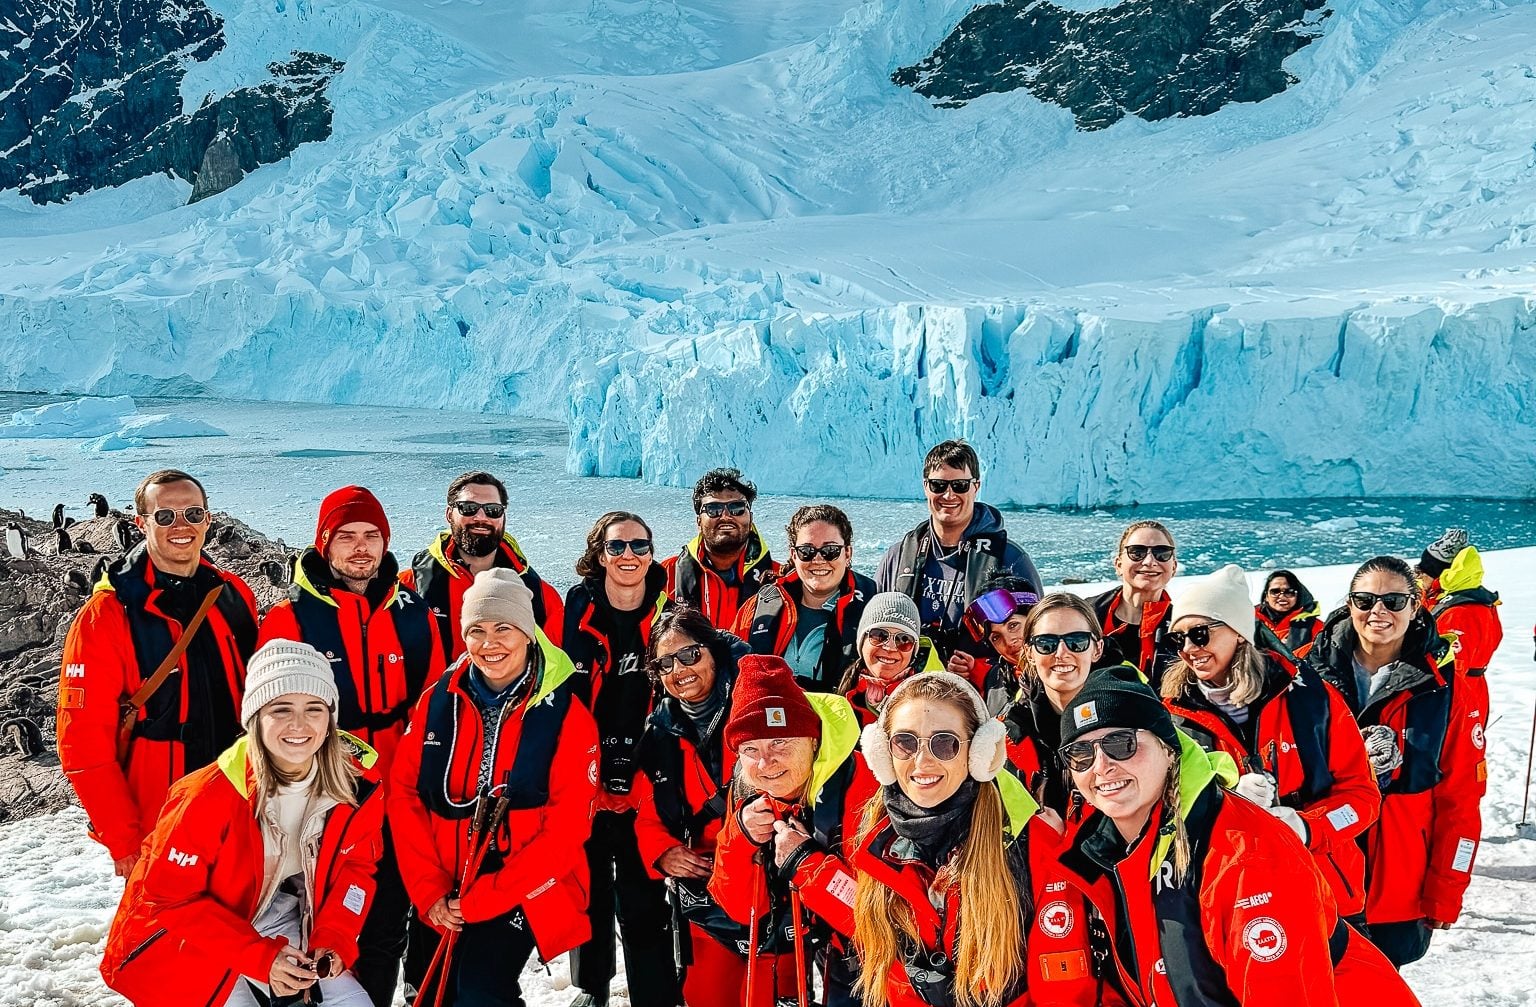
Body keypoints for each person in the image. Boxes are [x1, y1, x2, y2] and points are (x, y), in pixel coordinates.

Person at [1054, 671, 1420, 1006]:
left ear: (1169, 749)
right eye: (1080, 753)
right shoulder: (1111, 848)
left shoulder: (1247, 854)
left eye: (1121, 744)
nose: (1101, 766)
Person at [100, 641, 384, 1007]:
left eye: (314, 708)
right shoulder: (206, 796)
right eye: (281, 709)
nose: (299, 724)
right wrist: (261, 959)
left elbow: (357, 868)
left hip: (278, 913)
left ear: (330, 720)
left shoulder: (356, 784)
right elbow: (168, 900)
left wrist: (334, 937)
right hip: (194, 936)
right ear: (254, 718)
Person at [257, 485, 447, 1007]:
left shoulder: (415, 615)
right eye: (347, 537)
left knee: (392, 914)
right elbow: (267, 718)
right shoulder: (288, 621)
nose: (361, 548)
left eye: (372, 536)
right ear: (324, 544)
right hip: (323, 799)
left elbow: (434, 707)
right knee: (327, 917)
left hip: (401, 793)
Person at [388, 569, 599, 1007]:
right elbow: (404, 792)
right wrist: (428, 890)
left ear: (527, 632)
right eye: (477, 631)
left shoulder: (566, 714)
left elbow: (567, 828)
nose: (490, 643)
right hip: (445, 881)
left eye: (504, 628)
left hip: (521, 881)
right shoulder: (437, 700)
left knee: (481, 991)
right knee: (433, 996)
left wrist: (489, 895)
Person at [850, 671, 1102, 1007]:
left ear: (979, 755)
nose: (922, 761)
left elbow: (1064, 992)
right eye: (905, 742)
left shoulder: (1033, 844)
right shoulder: (877, 843)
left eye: (945, 743)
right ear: (882, 753)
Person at [57, 468, 259, 876]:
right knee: (162, 934)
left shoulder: (234, 594)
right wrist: (123, 838)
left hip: (239, 798)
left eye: (192, 514)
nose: (180, 526)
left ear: (208, 519)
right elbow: (82, 741)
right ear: (141, 523)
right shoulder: (109, 614)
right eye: (164, 516)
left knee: (241, 928)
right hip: (160, 813)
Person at [1160, 565, 1380, 924]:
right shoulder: (1172, 716)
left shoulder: (1311, 700)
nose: (1188, 649)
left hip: (1325, 897)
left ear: (1239, 633)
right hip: (1231, 903)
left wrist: (1307, 827)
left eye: (1199, 634)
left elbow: (1362, 798)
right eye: (1176, 639)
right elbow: (1162, 812)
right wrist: (1222, 799)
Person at [1308, 555, 1484, 968]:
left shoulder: (1444, 688)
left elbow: (1462, 798)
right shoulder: (1304, 674)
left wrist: (1447, 887)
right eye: (1365, 599)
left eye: (1393, 600)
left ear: (1416, 604)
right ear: (1349, 604)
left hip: (1399, 892)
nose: (1378, 611)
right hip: (1320, 877)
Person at [708, 654, 877, 1007]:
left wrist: (805, 863)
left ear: (813, 740)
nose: (765, 763)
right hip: (820, 951)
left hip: (881, 964)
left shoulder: (865, 787)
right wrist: (741, 838)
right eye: (750, 749)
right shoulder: (749, 793)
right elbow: (740, 909)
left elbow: (879, 919)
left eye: (780, 743)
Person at [564, 513, 679, 1007]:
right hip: (583, 773)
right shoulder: (576, 609)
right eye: (617, 547)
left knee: (644, 896)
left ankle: (653, 994)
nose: (628, 555)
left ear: (652, 552)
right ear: (599, 553)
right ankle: (591, 989)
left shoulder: (671, 614)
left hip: (648, 772)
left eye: (639, 545)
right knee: (586, 890)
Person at [631, 607, 749, 1007]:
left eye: (690, 655)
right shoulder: (659, 732)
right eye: (665, 663)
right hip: (706, 893)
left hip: (768, 889)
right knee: (707, 997)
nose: (679, 669)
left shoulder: (756, 707)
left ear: (714, 651)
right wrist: (662, 852)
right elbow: (646, 813)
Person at [875, 440, 1041, 675]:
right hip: (911, 693)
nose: (949, 494)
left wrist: (982, 670)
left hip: (985, 700)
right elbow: (875, 632)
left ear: (976, 486)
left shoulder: (1009, 559)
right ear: (925, 487)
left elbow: (1036, 640)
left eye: (960, 485)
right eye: (938, 485)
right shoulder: (898, 557)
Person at [402, 471, 565, 660]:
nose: (481, 517)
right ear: (449, 514)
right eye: (468, 508)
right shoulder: (408, 589)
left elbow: (554, 671)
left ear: (503, 517)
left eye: (493, 510)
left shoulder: (542, 597)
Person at [734, 504, 875, 691]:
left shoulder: (872, 610)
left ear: (847, 553)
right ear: (793, 555)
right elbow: (730, 668)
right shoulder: (761, 605)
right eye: (806, 552)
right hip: (768, 716)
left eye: (830, 551)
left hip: (843, 719)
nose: (818, 560)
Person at [1001, 593, 1113, 814]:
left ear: (1097, 649)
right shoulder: (1009, 733)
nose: (1061, 653)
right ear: (1029, 653)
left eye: (1077, 642)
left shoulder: (1129, 721)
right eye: (1046, 643)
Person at [662, 468, 779, 630]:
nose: (725, 516)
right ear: (698, 521)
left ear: (750, 518)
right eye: (713, 509)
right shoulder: (665, 576)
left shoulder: (779, 578)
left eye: (736, 508)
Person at [1420, 530, 1502, 755]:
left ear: (1439, 575)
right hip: (1471, 689)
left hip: (1459, 694)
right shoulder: (1472, 600)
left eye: (1424, 571)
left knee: (1452, 754)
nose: (1419, 576)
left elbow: (1451, 668)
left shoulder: (1460, 612)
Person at [1089, 520, 1179, 689]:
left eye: (1162, 553)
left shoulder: (1182, 628)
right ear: (1118, 564)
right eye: (1137, 552)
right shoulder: (1086, 615)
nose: (1149, 561)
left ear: (1173, 567)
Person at [836, 592, 942, 726]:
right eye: (879, 635)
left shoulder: (938, 699)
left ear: (914, 650)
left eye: (904, 640)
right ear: (862, 642)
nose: (890, 647)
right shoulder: (843, 686)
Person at [959, 572, 1041, 715]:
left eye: (1013, 625)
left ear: (1037, 618)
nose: (1009, 642)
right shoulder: (993, 682)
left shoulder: (1068, 670)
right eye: (996, 637)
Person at [1254, 570, 1324, 657]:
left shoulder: (1316, 628)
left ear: (1298, 596)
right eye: (1275, 592)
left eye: (1289, 592)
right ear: (1266, 596)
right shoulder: (1249, 623)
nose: (1282, 596)